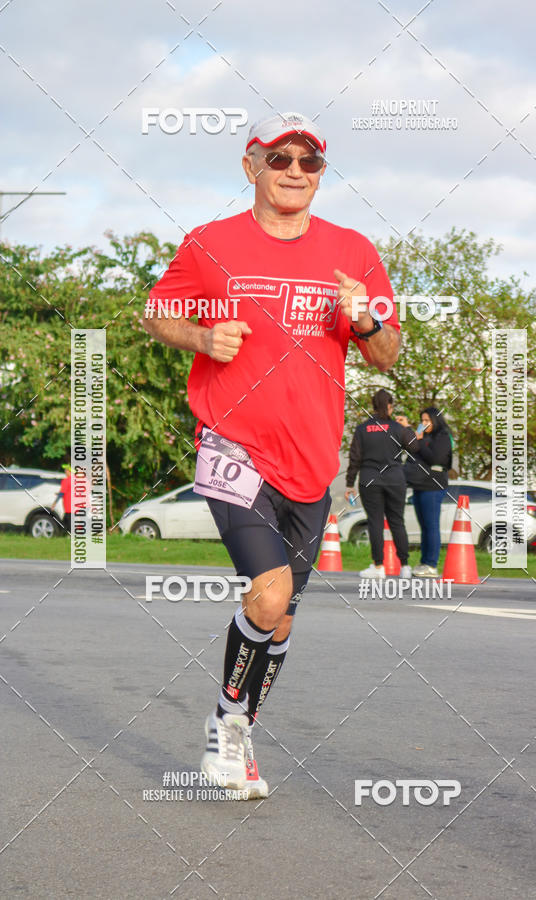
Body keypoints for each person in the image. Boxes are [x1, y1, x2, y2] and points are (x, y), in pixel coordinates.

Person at [143, 112, 401, 798]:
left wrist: (366, 319)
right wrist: (200, 339)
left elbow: (386, 352)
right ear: (251, 165)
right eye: (279, 158)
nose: (293, 171)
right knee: (271, 591)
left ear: (320, 173)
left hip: (311, 459)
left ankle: (240, 730)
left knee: (281, 617)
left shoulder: (354, 251)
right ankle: (226, 725)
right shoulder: (209, 243)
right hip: (233, 443)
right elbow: (156, 311)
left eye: (308, 162)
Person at [345, 389, 416, 579]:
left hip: (370, 480)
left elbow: (355, 458)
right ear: (390, 406)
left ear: (373, 406)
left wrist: (349, 484)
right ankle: (405, 567)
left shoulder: (362, 429)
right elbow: (414, 446)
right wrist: (408, 427)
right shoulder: (397, 429)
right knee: (397, 522)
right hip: (395, 480)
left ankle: (378, 567)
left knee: (375, 522)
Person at [397, 407, 452, 577]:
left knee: (431, 525)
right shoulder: (424, 436)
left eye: (427, 420)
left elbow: (435, 458)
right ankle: (424, 562)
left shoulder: (442, 436)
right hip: (419, 485)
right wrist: (410, 432)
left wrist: (419, 440)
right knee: (424, 526)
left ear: (435, 420)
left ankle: (431, 564)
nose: (424, 423)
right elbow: (413, 451)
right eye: (422, 420)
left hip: (434, 487)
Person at [51, 464, 72, 535]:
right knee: (66, 521)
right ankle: (64, 534)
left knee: (68, 522)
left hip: (69, 505)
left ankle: (69, 535)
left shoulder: (66, 481)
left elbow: (62, 493)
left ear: (69, 471)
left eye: (66, 470)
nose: (65, 472)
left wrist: (54, 503)